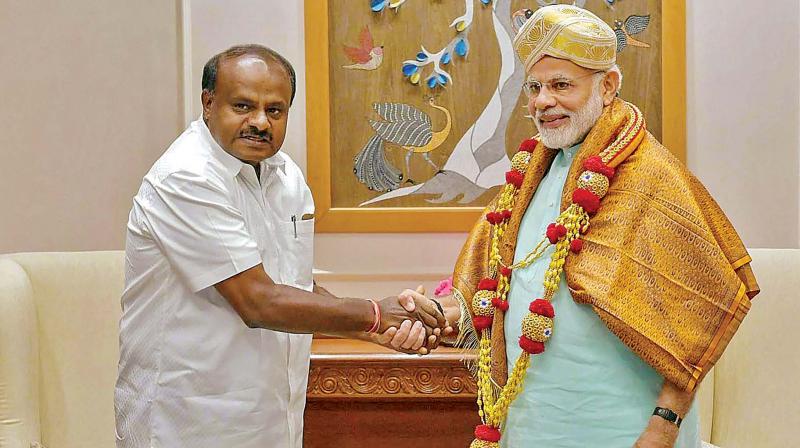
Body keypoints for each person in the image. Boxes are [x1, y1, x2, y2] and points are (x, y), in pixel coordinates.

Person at [390, 5, 759, 447]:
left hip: (625, 430)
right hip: (531, 427)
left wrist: (663, 426)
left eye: (561, 85)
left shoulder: (651, 177)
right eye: (535, 87)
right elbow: (502, 284)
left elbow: (700, 309)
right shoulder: (530, 175)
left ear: (608, 86)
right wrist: (442, 314)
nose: (542, 101)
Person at [114, 44, 447, 448]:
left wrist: (371, 330)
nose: (259, 122)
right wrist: (375, 314)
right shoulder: (186, 177)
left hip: (271, 421)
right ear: (208, 103)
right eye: (242, 106)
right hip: (188, 422)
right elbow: (258, 301)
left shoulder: (285, 175)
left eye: (275, 110)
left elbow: (292, 285)